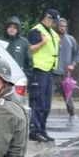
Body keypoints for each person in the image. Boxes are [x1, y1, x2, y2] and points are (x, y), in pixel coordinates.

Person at [27, 9, 61, 142]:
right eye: (53, 21)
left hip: (49, 70)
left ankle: (42, 129)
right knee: (38, 102)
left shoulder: (51, 32)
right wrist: (42, 43)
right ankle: (34, 131)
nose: (54, 24)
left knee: (46, 104)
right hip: (39, 70)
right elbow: (30, 49)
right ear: (46, 17)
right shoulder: (37, 31)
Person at [56, 18, 79, 124]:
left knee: (68, 96)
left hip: (65, 74)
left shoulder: (70, 40)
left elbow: (78, 54)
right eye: (60, 25)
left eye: (64, 26)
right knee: (46, 96)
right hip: (52, 72)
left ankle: (72, 114)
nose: (62, 28)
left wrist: (73, 64)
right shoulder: (51, 38)